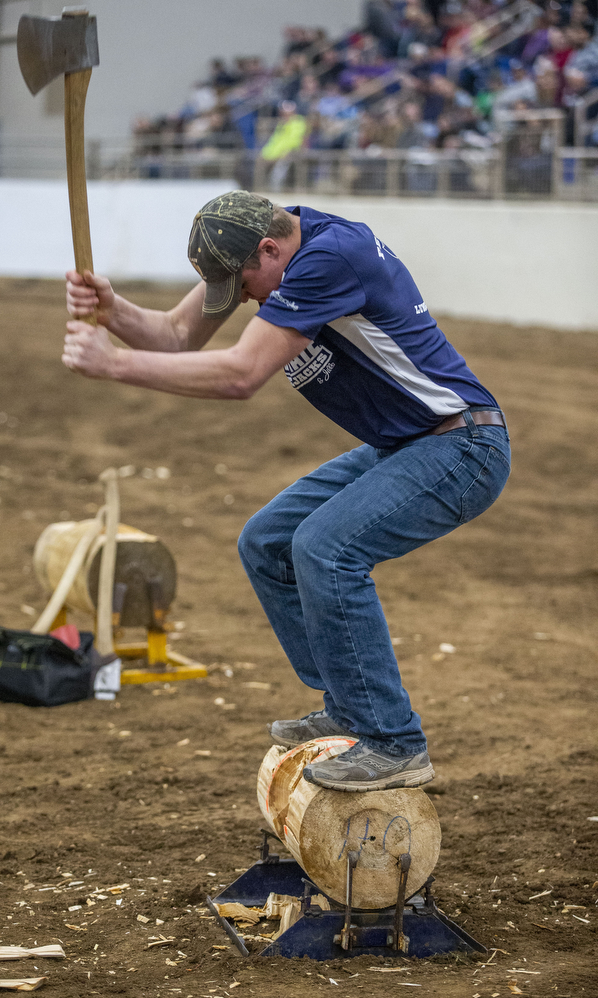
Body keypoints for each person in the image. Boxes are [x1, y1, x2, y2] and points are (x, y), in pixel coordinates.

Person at [63, 190, 510, 792]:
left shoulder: (329, 258)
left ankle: (394, 741)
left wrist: (113, 364)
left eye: (245, 286)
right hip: (407, 445)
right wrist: (114, 311)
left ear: (271, 250)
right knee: (268, 542)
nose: (246, 299)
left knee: (326, 549)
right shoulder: (259, 241)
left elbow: (241, 374)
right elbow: (174, 336)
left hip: (462, 447)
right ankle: (351, 706)